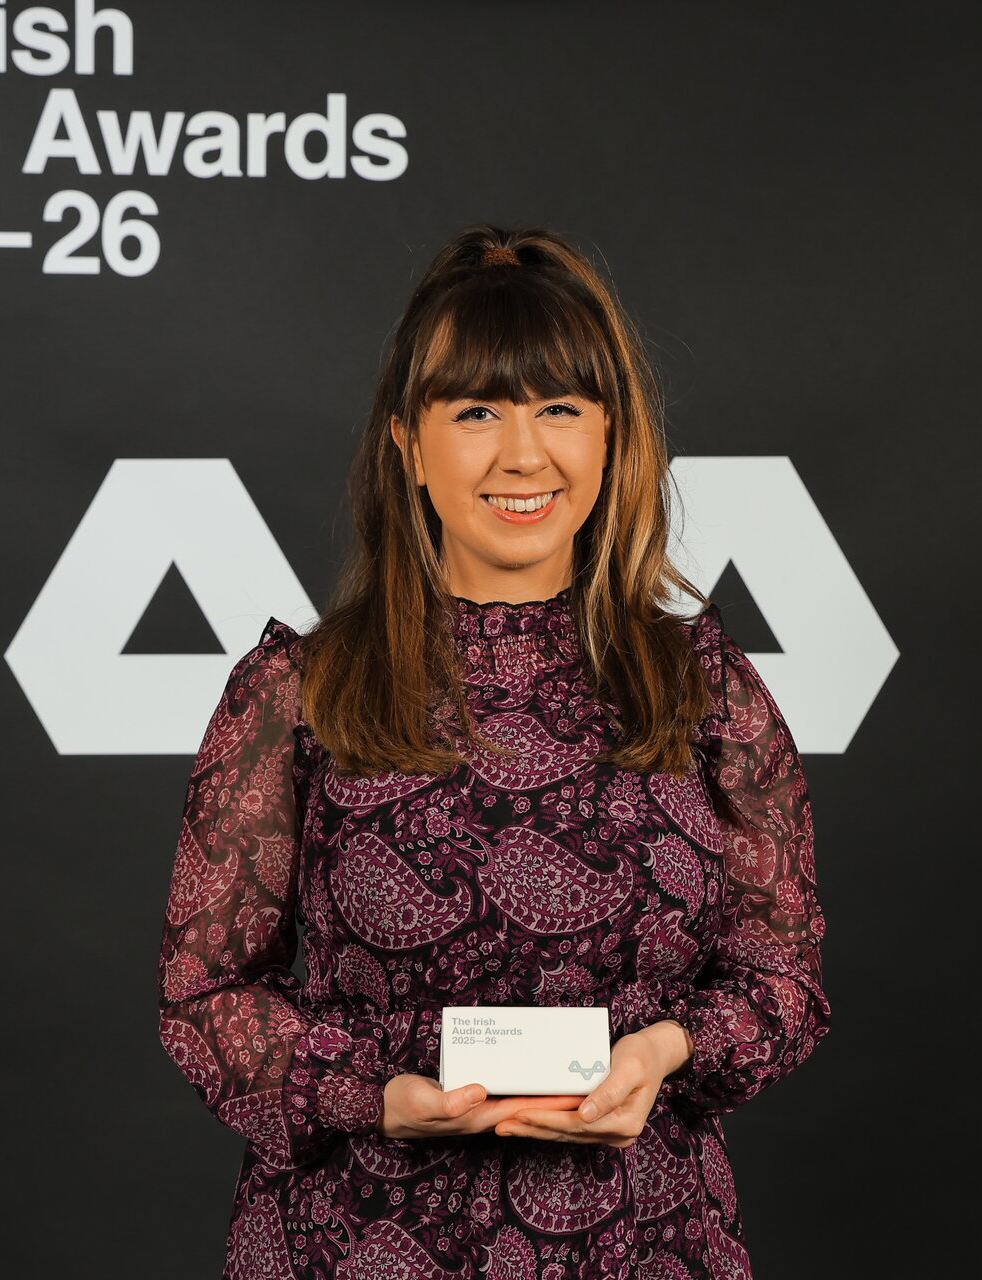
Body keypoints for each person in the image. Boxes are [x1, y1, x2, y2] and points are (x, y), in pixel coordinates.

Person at [156, 224, 830, 1279]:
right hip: (355, 1240)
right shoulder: (298, 692)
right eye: (477, 411)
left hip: (640, 1240)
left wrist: (664, 1051)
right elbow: (204, 994)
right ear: (407, 445)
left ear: (612, 437)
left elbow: (781, 978)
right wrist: (373, 1096)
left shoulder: (703, 686)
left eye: (560, 408)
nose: (523, 454)